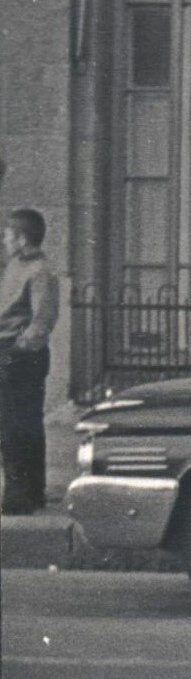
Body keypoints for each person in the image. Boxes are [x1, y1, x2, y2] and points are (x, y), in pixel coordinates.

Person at [0, 202, 60, 515]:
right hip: (10, 353)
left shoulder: (40, 272)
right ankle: (31, 491)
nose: (4, 240)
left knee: (17, 428)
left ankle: (20, 496)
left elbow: (41, 322)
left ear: (22, 239)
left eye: (8, 235)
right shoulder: (15, 266)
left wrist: (14, 351)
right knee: (16, 426)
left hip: (21, 358)